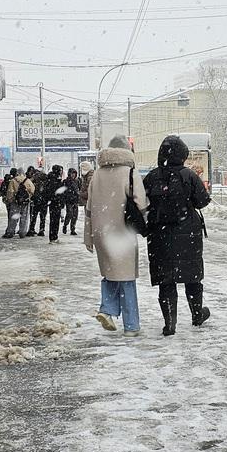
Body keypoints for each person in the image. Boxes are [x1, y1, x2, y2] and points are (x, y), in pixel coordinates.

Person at [144, 135, 212, 337]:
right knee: (192, 277)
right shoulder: (188, 175)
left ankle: (170, 323)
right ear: (183, 154)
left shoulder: (152, 176)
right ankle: (197, 314)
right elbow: (202, 201)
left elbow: (141, 202)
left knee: (166, 280)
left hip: (159, 235)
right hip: (188, 233)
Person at [84, 135, 148, 336]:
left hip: (101, 232)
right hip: (123, 232)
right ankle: (131, 325)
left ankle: (107, 309)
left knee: (110, 273)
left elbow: (88, 209)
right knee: (126, 277)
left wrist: (88, 236)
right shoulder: (130, 172)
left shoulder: (97, 175)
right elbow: (141, 203)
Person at [2, 168, 34, 238]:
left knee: (13, 217)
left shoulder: (13, 180)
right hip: (25, 202)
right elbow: (32, 190)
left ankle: (10, 231)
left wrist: (11, 199)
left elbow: (10, 191)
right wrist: (28, 196)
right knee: (24, 218)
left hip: (15, 201)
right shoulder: (28, 180)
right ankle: (22, 232)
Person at [45, 164, 66, 242]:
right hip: (55, 202)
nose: (61, 172)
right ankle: (54, 237)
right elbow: (57, 193)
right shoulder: (55, 181)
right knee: (55, 220)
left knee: (53, 220)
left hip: (53, 203)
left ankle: (53, 236)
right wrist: (59, 200)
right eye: (60, 170)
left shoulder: (50, 179)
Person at [62, 166, 83, 235]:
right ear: (69, 174)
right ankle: (65, 225)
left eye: (74, 173)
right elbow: (64, 191)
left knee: (75, 216)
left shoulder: (78, 181)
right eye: (72, 173)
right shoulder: (66, 181)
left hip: (75, 200)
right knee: (69, 214)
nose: (73, 175)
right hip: (69, 200)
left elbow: (80, 189)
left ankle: (72, 229)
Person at [26, 166, 46, 237]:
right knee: (42, 216)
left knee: (33, 216)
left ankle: (31, 229)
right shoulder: (44, 179)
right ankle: (41, 230)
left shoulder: (34, 179)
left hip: (35, 199)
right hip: (43, 199)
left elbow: (31, 188)